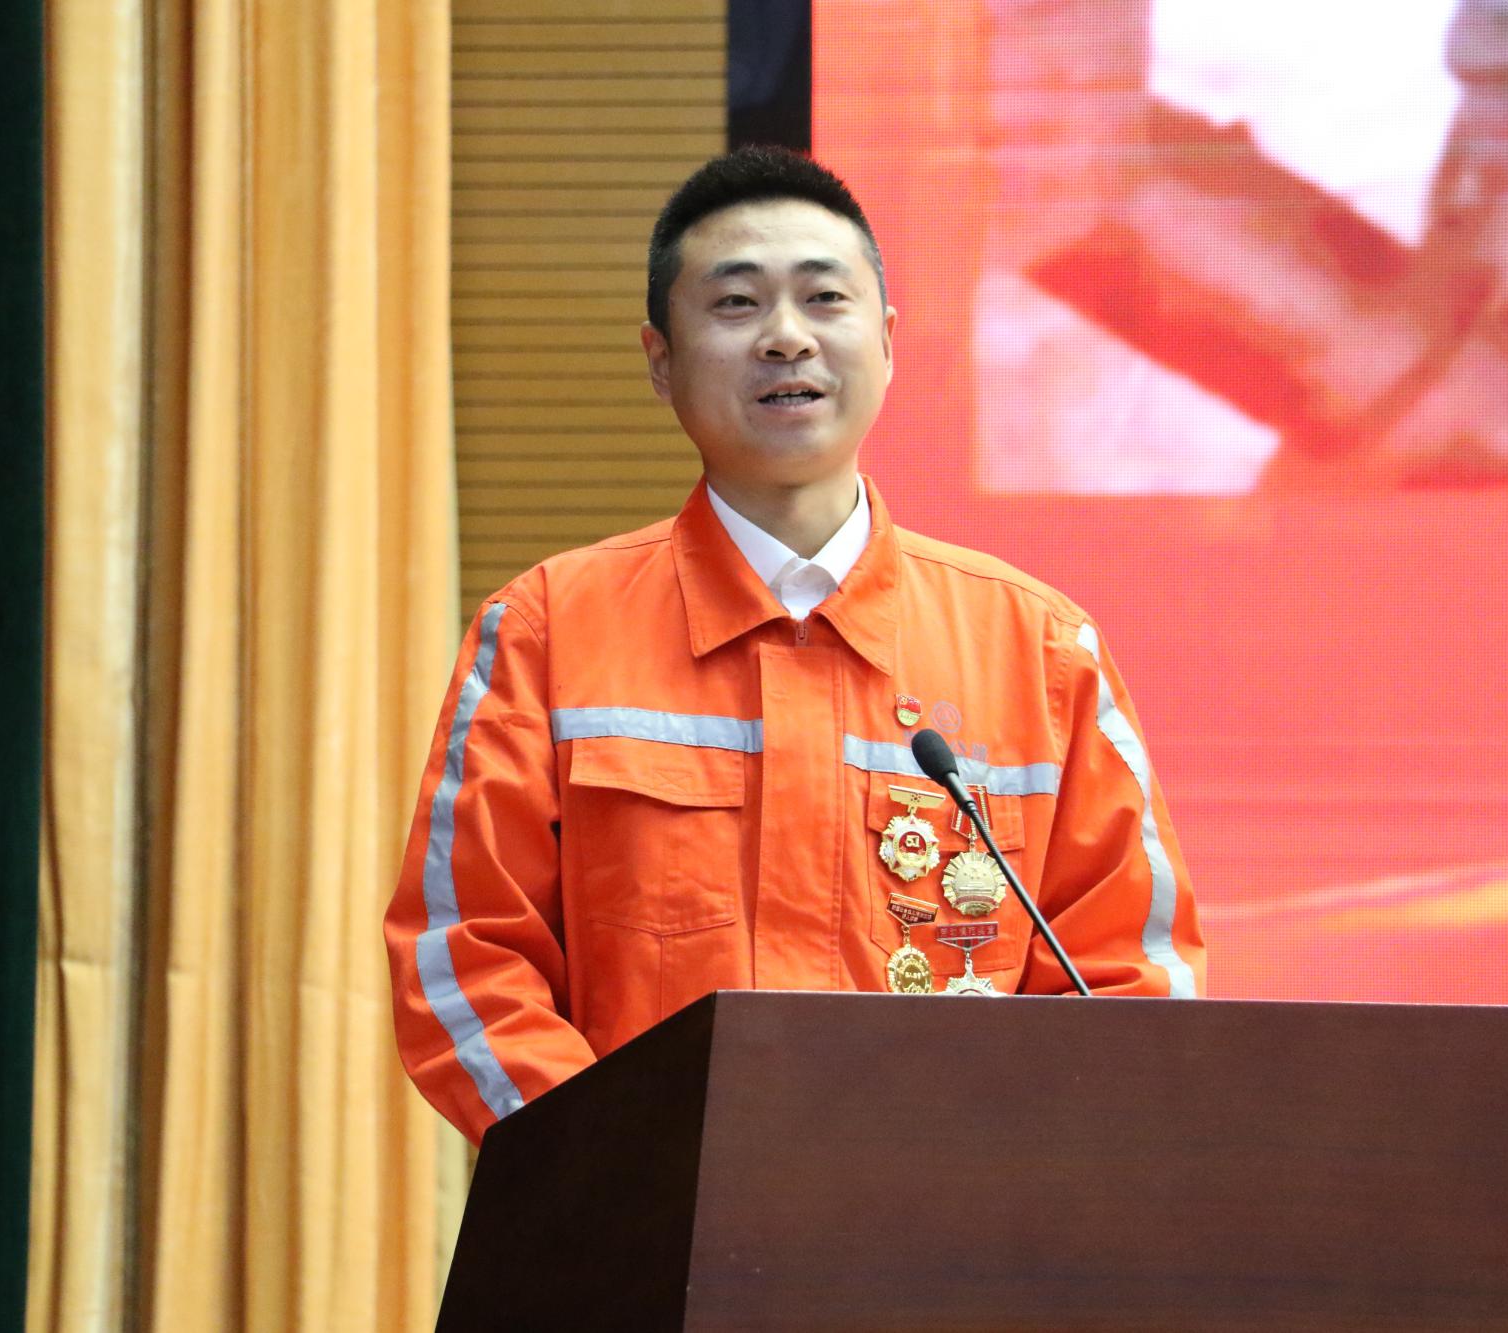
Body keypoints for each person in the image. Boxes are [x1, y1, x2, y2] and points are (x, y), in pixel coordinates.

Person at [385, 147, 1206, 1145]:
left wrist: (991, 1185)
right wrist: (620, 1174)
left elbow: (1130, 983)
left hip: (950, 1225)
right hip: (640, 1218)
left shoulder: (1040, 649)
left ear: (888, 342)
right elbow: (466, 958)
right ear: (660, 360)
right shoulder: (545, 633)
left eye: (824, 298)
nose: (786, 337)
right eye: (736, 305)